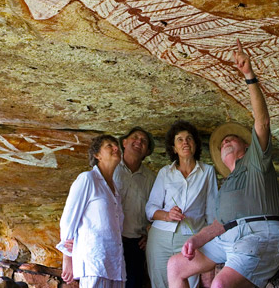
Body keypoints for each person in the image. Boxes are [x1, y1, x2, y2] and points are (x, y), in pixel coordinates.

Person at [166, 40, 279, 288]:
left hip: (261, 233)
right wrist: (195, 241)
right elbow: (218, 225)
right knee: (175, 265)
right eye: (222, 143)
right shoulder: (226, 185)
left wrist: (249, 76)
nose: (225, 142)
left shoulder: (256, 162)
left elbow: (262, 122)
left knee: (220, 285)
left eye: (231, 139)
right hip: (230, 238)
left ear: (246, 147)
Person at [143, 121, 218, 288]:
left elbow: (212, 212)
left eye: (189, 138)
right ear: (174, 148)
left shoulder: (208, 172)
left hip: (190, 239)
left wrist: (209, 241)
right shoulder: (164, 172)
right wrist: (167, 215)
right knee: (160, 283)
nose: (185, 142)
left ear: (195, 144)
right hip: (160, 238)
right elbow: (150, 208)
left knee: (188, 284)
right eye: (180, 139)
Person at [60, 135, 127, 288]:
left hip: (115, 265)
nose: (116, 148)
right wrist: (67, 259)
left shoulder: (115, 189)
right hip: (94, 263)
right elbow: (69, 219)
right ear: (97, 155)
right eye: (109, 145)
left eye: (116, 146)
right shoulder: (87, 179)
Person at [114, 127, 157, 288]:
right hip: (109, 240)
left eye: (144, 141)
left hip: (135, 246)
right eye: (135, 137)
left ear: (147, 152)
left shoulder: (152, 179)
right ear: (124, 142)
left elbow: (157, 211)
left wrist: (150, 235)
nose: (139, 141)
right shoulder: (109, 169)